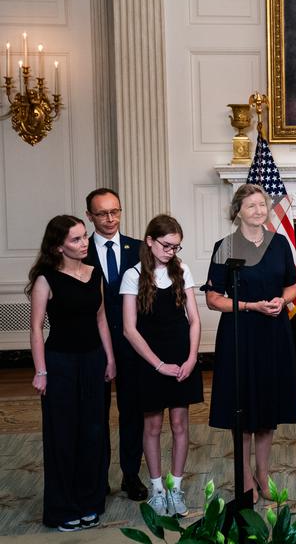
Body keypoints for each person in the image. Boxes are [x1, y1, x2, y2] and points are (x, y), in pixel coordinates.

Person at [203, 184, 296, 503]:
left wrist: (281, 300)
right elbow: (213, 298)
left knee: (268, 407)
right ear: (238, 212)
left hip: (274, 334)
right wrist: (249, 306)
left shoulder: (280, 243)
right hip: (239, 336)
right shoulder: (225, 246)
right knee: (242, 407)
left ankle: (263, 472)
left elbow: (293, 286)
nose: (259, 211)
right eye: (251, 206)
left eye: (263, 205)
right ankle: (244, 476)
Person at [27, 215, 116, 531]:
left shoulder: (95, 273)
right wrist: (41, 371)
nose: (84, 244)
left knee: (93, 433)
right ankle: (63, 508)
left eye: (84, 238)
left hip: (93, 361)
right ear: (57, 246)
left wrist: (109, 359)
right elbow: (36, 328)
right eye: (76, 240)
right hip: (60, 364)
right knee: (62, 436)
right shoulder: (45, 279)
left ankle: (90, 501)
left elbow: (101, 320)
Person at [121, 215, 203, 516]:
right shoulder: (133, 275)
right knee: (152, 425)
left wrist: (193, 358)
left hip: (182, 356)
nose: (171, 252)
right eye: (167, 245)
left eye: (177, 247)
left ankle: (176, 488)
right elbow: (130, 329)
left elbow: (194, 320)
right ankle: (157, 490)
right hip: (150, 360)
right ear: (150, 241)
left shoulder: (182, 270)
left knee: (180, 424)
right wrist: (158, 365)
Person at [83, 188, 147, 501]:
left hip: (132, 343)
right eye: (102, 213)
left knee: (132, 412)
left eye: (115, 211)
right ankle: (98, 476)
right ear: (89, 216)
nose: (110, 219)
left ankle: (131, 475)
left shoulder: (138, 249)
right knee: (96, 413)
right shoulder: (80, 252)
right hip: (92, 346)